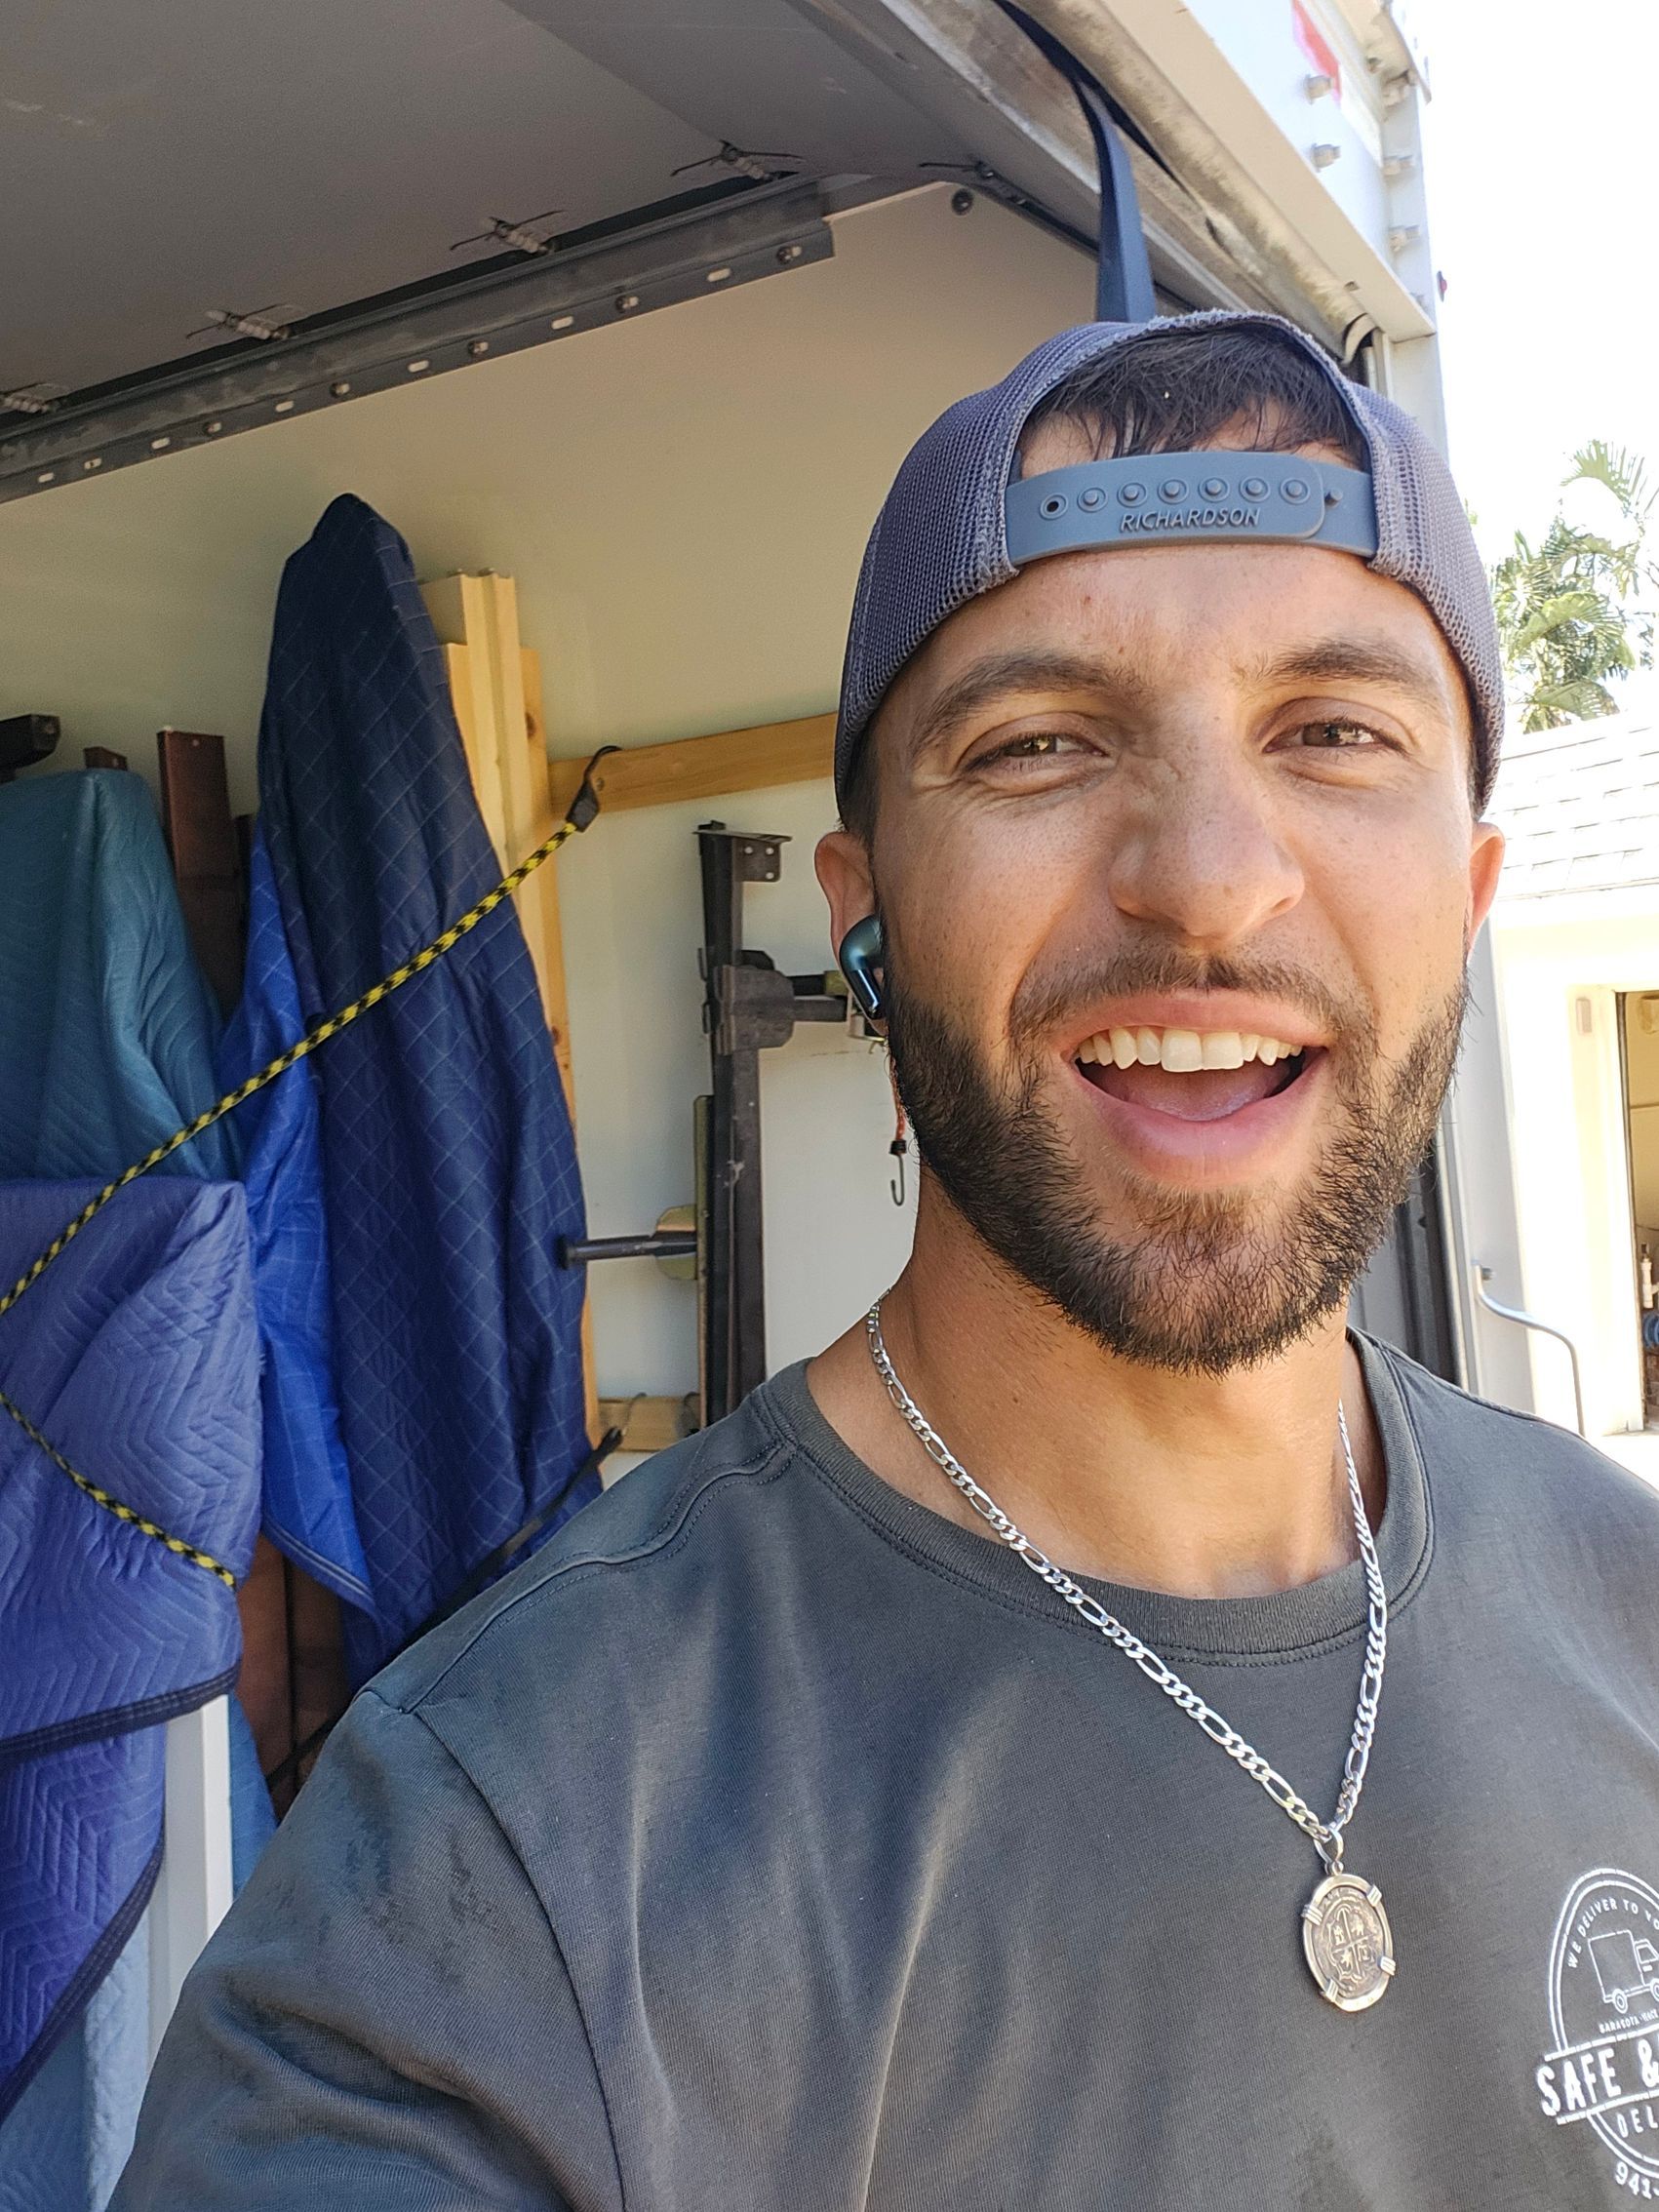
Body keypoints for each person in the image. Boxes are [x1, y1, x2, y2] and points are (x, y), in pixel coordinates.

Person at [114, 313, 1659, 2210]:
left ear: (1472, 905)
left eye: (1331, 732)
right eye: (1036, 744)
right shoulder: (486, 1875)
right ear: (863, 919)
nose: (1203, 874)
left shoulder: (1632, 1614)